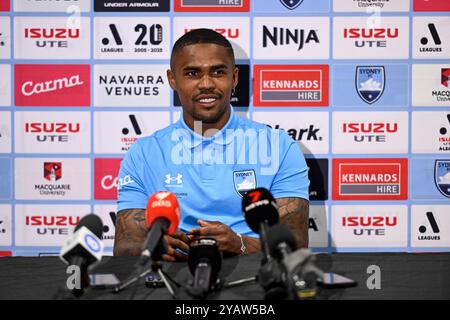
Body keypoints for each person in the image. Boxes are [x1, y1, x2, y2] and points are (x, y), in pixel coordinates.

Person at [114, 29, 310, 261]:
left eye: (218, 72)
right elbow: (125, 246)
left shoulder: (280, 147)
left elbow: (296, 244)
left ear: (234, 78)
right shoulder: (143, 154)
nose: (206, 84)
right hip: (173, 277)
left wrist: (241, 243)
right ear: (172, 79)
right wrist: (154, 245)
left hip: (256, 278)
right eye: (192, 73)